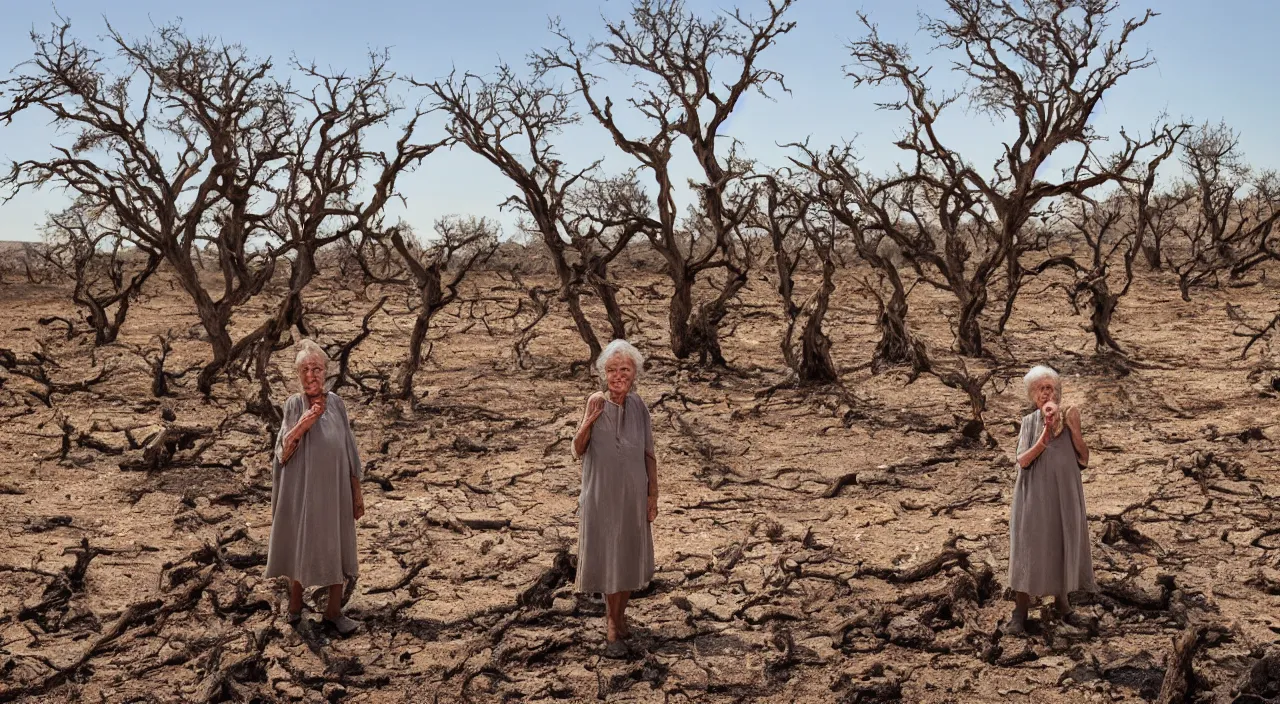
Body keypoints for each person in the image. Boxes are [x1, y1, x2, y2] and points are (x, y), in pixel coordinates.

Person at [265, 339, 366, 634]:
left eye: (317, 369)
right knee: (301, 544)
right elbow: (282, 451)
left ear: (326, 372)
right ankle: (295, 609)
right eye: (305, 370)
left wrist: (356, 494)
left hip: (335, 493)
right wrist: (304, 423)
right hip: (303, 494)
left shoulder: (336, 403)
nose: (311, 375)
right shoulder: (294, 405)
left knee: (337, 543)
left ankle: (333, 612)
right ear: (298, 376)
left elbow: (350, 450)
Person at [572, 339, 658, 656]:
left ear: (634, 373)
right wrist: (587, 423)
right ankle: (612, 622)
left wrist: (653, 496)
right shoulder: (596, 401)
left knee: (626, 558)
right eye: (612, 370)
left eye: (624, 369)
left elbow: (649, 455)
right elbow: (577, 449)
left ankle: (620, 617)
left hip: (633, 496)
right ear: (603, 374)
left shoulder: (639, 407)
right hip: (601, 495)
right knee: (609, 558)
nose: (618, 375)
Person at [1006, 364, 1095, 635]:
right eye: (1041, 389)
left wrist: (1074, 428)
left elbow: (1084, 457)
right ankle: (1020, 611)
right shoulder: (1029, 422)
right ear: (1033, 396)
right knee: (1028, 547)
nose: (1047, 394)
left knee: (1062, 543)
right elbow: (1023, 460)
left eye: (1050, 389)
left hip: (1063, 495)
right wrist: (1045, 432)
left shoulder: (1068, 418)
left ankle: (1063, 605)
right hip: (1033, 496)